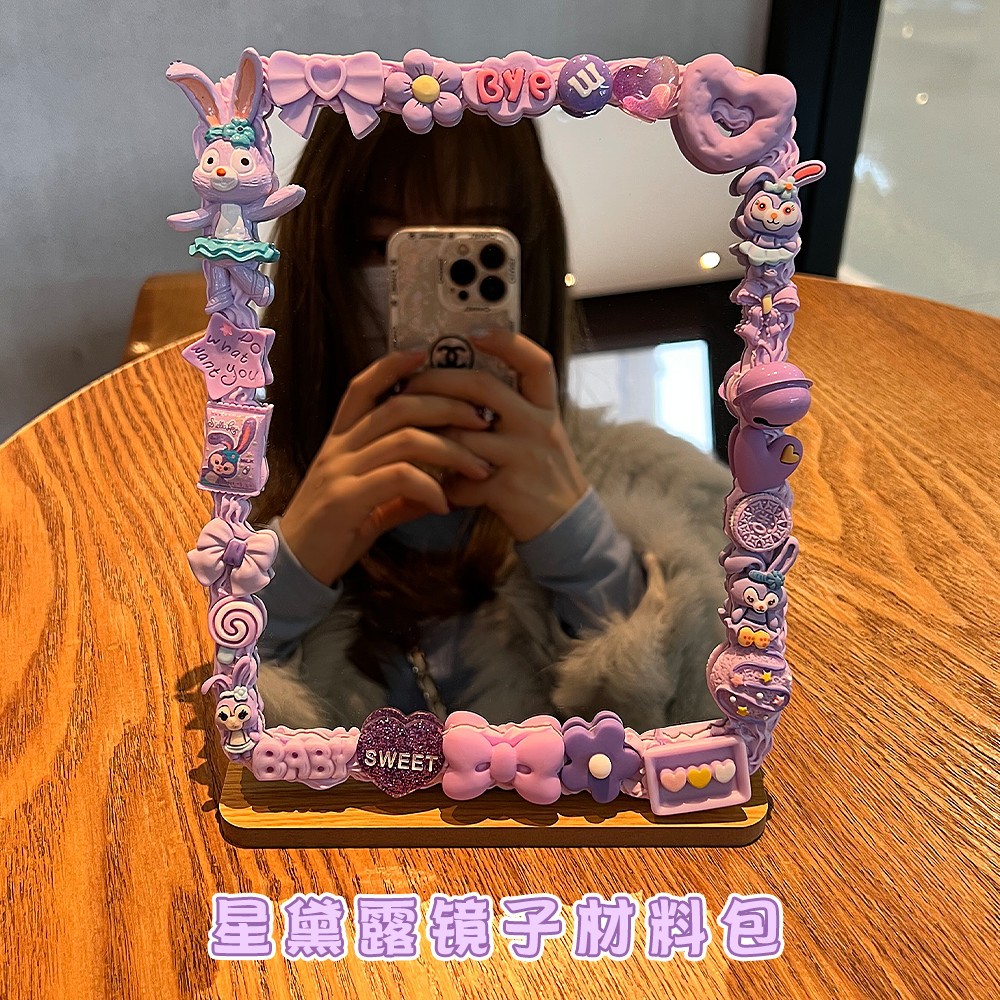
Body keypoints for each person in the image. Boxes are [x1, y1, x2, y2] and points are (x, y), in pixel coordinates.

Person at [251, 107, 732, 734]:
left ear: (529, 262)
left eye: (478, 249)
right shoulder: (229, 492)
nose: (430, 295)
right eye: (380, 246)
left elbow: (720, 741)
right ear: (320, 267)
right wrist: (283, 575)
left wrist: (586, 554)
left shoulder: (671, 493)